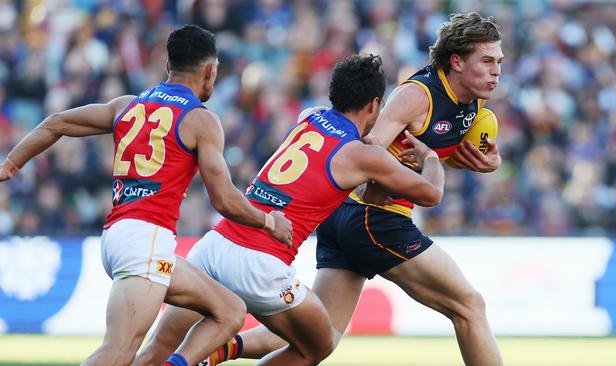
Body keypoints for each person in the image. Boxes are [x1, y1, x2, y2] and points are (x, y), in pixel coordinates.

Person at [211, 12, 505, 366]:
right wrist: (413, 172)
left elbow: (438, 143)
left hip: (348, 219)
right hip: (374, 218)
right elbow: (370, 145)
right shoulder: (416, 95)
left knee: (318, 337)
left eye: (499, 61)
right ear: (456, 62)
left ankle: (218, 351)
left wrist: (488, 161)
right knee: (469, 305)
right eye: (487, 61)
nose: (496, 71)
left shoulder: (475, 101)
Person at [0, 24, 293, 366]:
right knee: (118, 352)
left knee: (230, 312)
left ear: (168, 65)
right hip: (146, 240)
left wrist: (10, 163)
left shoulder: (128, 105)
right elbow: (224, 200)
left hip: (123, 237)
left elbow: (56, 122)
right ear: (210, 71)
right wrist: (269, 221)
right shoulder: (201, 120)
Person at [132, 54, 446, 366]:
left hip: (215, 246)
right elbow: (431, 194)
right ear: (375, 105)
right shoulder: (363, 155)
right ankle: (212, 354)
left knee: (155, 350)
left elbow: (330, 174)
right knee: (317, 345)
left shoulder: (308, 116)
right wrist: (430, 158)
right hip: (260, 263)